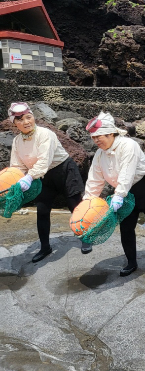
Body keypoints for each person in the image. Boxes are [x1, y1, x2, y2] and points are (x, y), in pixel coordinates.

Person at [83, 112, 145, 277]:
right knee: (126, 228)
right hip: (124, 192)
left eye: (99, 136)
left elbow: (127, 173)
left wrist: (119, 195)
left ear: (111, 133)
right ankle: (131, 262)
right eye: (93, 138)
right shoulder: (100, 155)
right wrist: (88, 201)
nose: (96, 141)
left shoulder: (128, 145)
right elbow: (94, 180)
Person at [7, 102, 90, 262]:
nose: (26, 122)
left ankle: (86, 237)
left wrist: (29, 177)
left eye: (28, 117)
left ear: (33, 117)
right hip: (42, 177)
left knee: (76, 206)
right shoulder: (17, 141)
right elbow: (17, 166)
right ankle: (45, 247)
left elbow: (44, 161)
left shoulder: (45, 134)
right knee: (42, 210)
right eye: (20, 120)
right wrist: (17, 181)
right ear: (14, 123)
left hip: (63, 170)